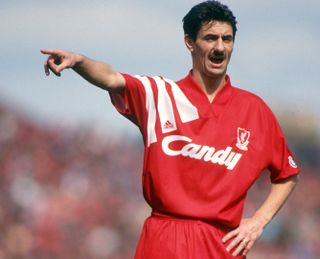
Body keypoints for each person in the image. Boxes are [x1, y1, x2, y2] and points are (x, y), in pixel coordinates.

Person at [41, 1, 300, 258]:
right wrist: (79, 61)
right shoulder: (160, 95)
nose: (220, 47)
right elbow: (111, 78)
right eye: (210, 38)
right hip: (165, 238)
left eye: (227, 39)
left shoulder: (254, 110)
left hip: (221, 244)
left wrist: (258, 221)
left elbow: (287, 174)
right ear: (190, 42)